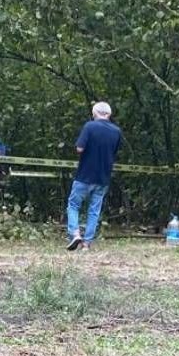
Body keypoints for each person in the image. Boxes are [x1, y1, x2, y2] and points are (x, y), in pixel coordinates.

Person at [66, 101, 123, 251]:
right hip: (103, 177)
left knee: (73, 205)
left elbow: (79, 148)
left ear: (94, 113)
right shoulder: (117, 131)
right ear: (109, 114)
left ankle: (75, 233)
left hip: (84, 175)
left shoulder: (90, 126)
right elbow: (115, 152)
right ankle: (87, 243)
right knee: (94, 210)